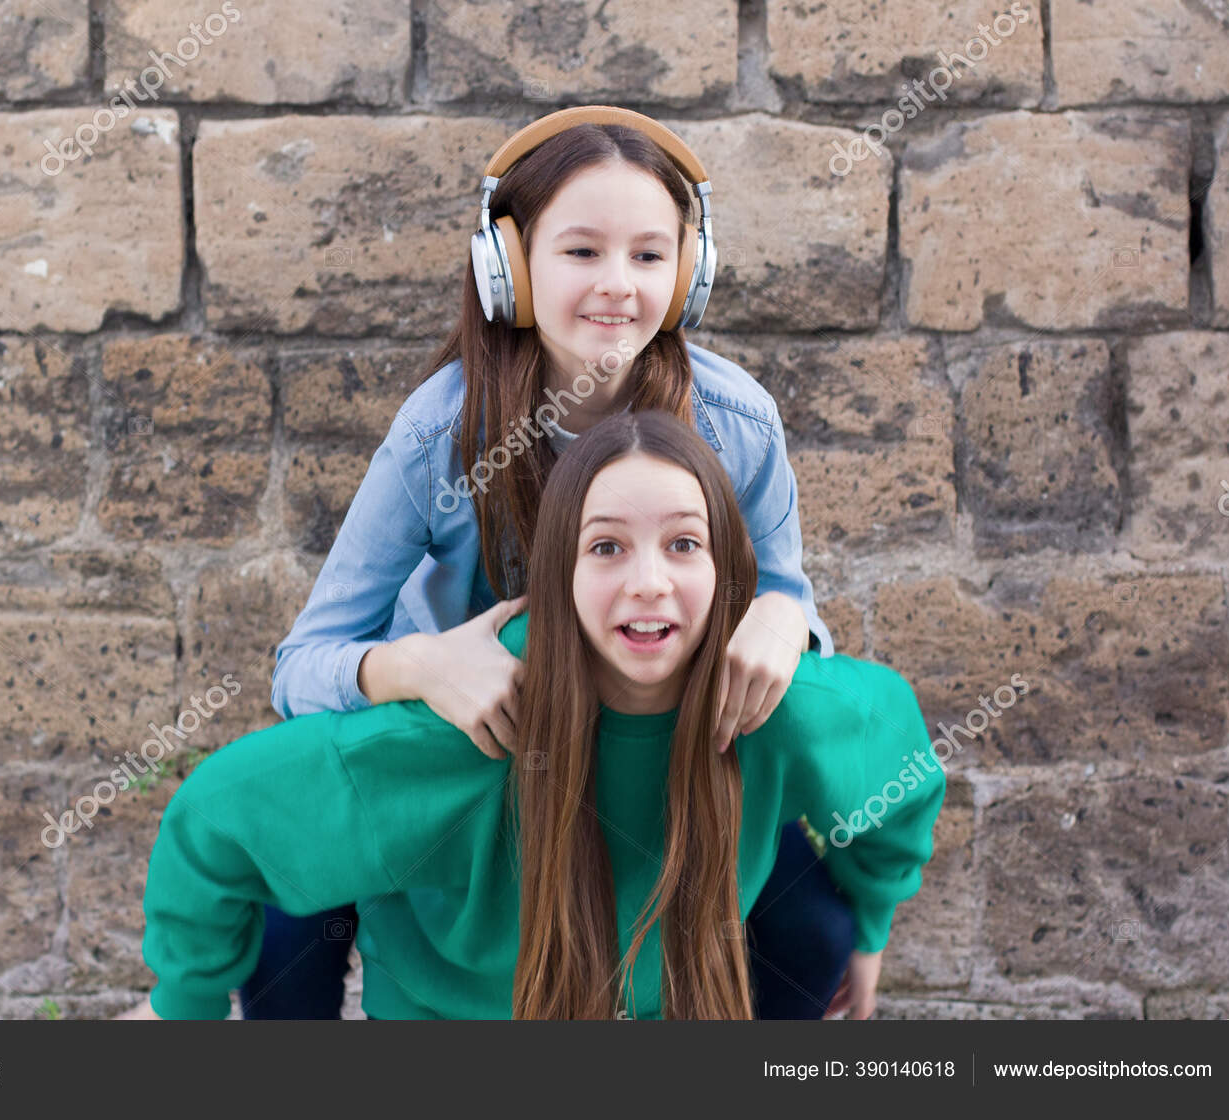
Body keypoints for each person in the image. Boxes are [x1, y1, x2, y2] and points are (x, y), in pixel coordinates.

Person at [249, 105, 852, 1019]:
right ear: (509, 265)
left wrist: (782, 616)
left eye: (650, 256)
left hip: (655, 754)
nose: (618, 286)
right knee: (281, 897)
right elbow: (302, 670)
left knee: (812, 920)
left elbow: (791, 602)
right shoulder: (437, 436)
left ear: (691, 274)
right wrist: (418, 665)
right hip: (473, 762)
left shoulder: (735, 422)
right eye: (582, 252)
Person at [119, 411, 942, 1020]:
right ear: (556, 575)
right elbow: (214, 819)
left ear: (731, 571)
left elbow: (901, 769)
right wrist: (183, 1004)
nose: (651, 581)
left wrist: (870, 929)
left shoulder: (786, 705)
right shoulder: (465, 734)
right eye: (607, 547)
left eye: (684, 545)